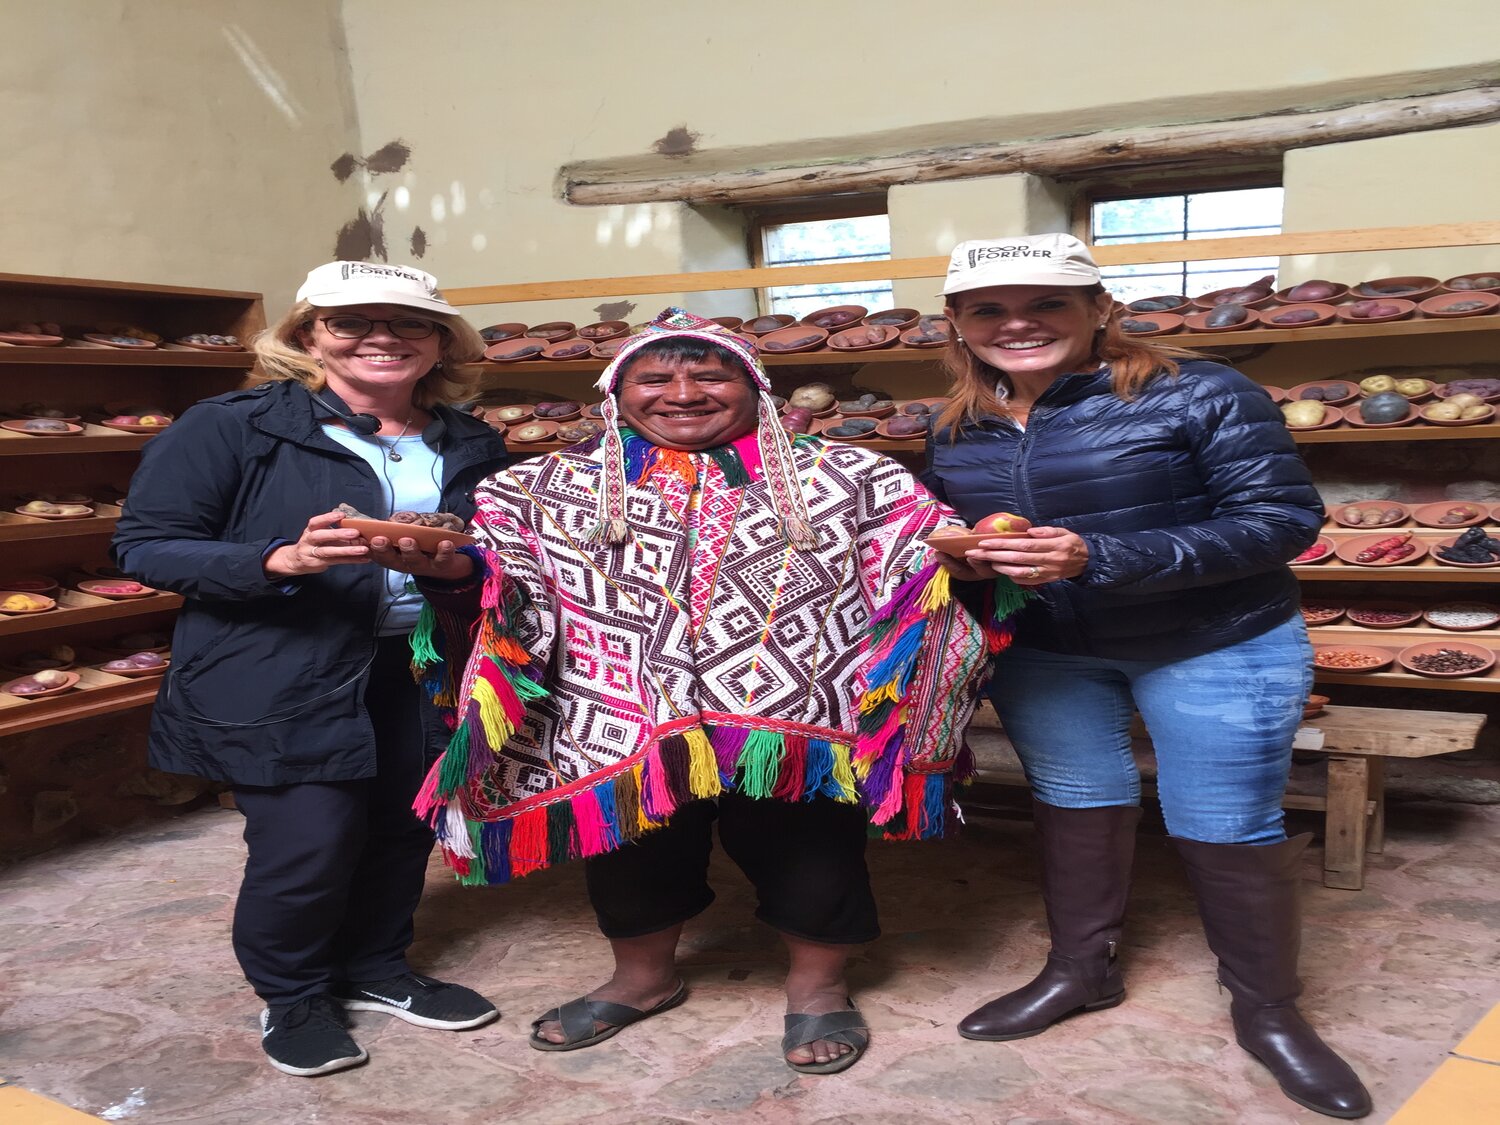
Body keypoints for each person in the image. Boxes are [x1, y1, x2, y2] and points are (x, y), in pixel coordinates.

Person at [380, 308, 1007, 1074]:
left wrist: (969, 563)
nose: (683, 392)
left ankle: (819, 989)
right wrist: (451, 570)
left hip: (797, 712)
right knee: (633, 849)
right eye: (656, 377)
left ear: (755, 386)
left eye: (710, 375)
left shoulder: (852, 474)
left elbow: (926, 557)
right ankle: (642, 979)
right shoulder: (542, 485)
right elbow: (505, 576)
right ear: (618, 391)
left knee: (811, 846)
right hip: (621, 710)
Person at [921, 234, 1371, 1120]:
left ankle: (1270, 1012)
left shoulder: (1201, 392)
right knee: (1075, 799)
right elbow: (954, 534)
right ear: (960, 325)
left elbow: (1283, 520)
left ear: (1099, 309)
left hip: (1214, 637)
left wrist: (1100, 555)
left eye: (1047, 302)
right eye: (990, 309)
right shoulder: (955, 427)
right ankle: (1079, 971)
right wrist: (966, 565)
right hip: (1051, 649)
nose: (1019, 323)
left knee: (1226, 819)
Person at [111, 262, 509, 1077]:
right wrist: (279, 557)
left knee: (405, 824)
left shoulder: (469, 439)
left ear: (439, 345)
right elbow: (144, 544)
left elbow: (495, 556)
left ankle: (376, 967)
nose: (382, 338)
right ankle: (293, 997)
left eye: (409, 323)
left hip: (416, 663)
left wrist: (457, 573)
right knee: (308, 842)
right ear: (307, 336)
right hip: (278, 663)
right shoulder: (234, 426)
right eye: (350, 321)